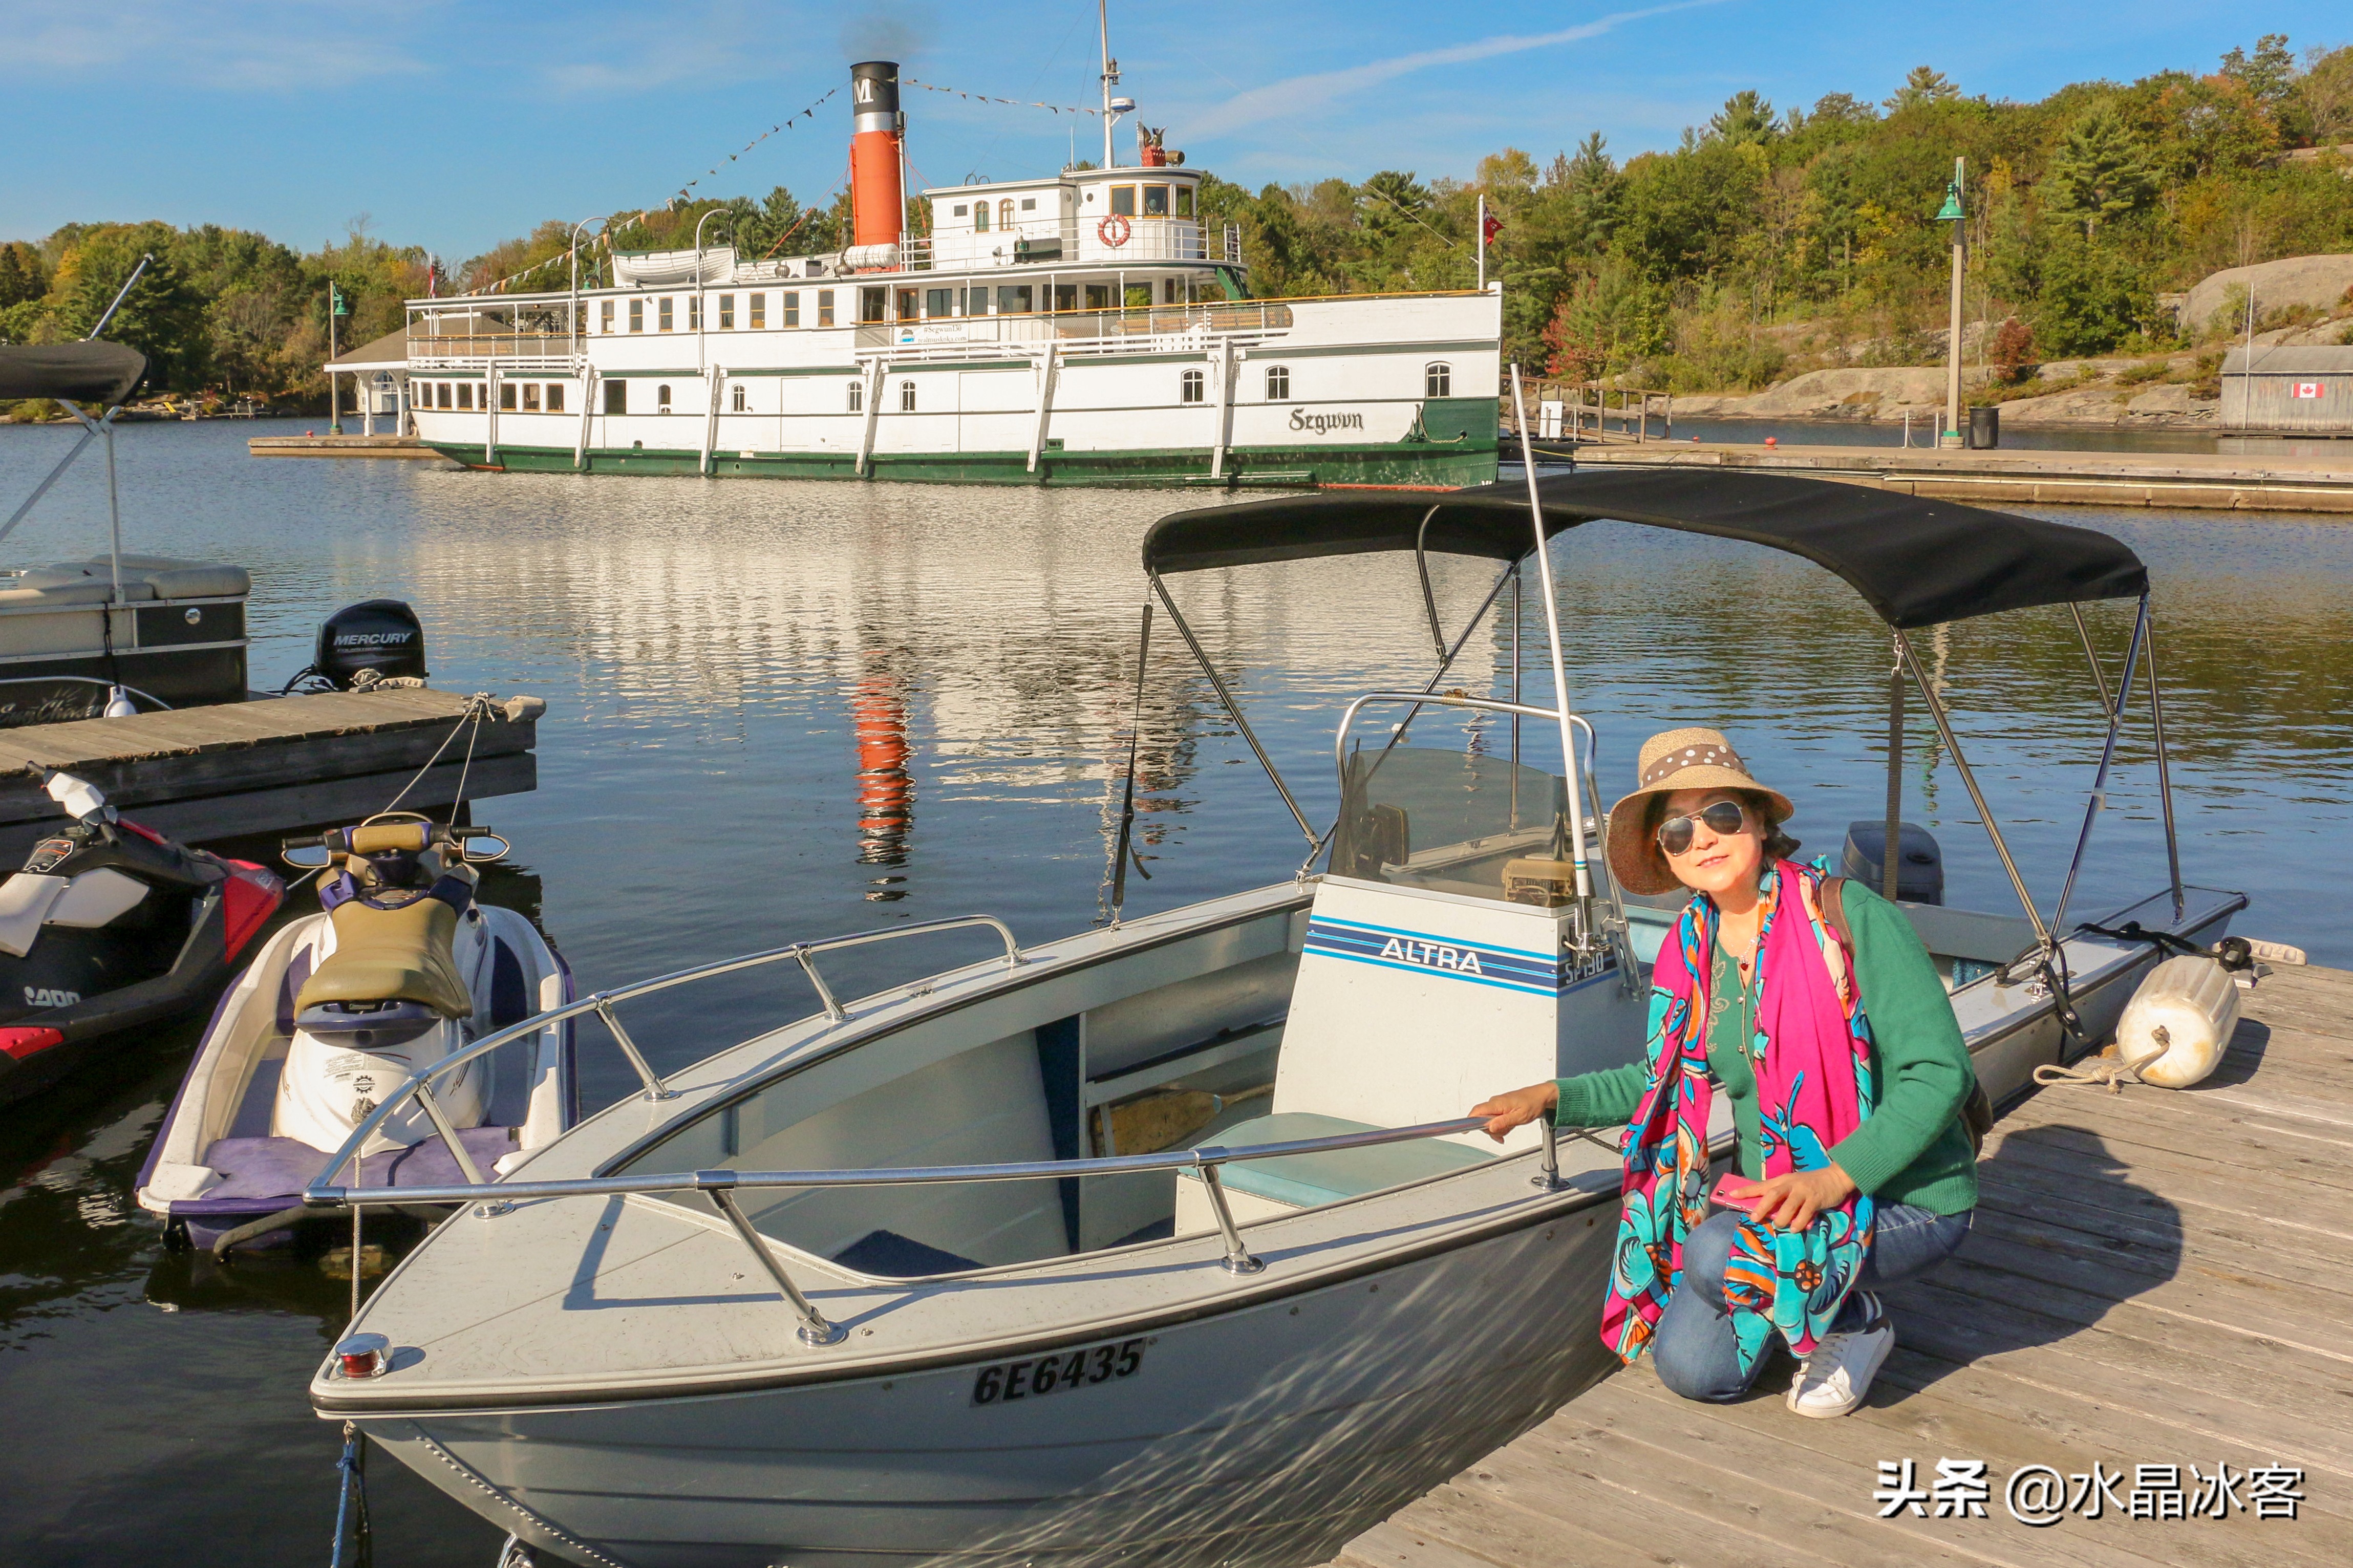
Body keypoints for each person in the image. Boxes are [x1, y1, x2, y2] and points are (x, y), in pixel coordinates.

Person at [1473, 727, 1977, 1417]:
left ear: (1759, 820)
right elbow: (1656, 1082)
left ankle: (1857, 1319)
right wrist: (1554, 1096)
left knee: (1713, 1252)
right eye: (1677, 831)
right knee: (1693, 1371)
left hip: (1901, 1197)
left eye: (1720, 815)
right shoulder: (1692, 947)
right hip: (1776, 1195)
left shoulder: (1851, 916)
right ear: (1664, 854)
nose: (1702, 838)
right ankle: (1798, 1295)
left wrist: (1833, 1177)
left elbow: (1938, 1073)